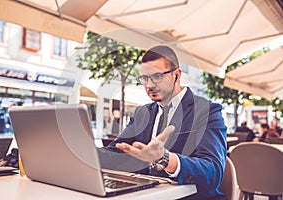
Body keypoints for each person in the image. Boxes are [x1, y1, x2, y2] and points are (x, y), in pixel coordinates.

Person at [97, 45, 227, 199]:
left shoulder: (207, 111)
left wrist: (164, 158)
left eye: (157, 76)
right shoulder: (142, 113)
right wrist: (83, 152)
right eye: (145, 78)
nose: (149, 85)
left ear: (176, 76)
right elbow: (116, 152)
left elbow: (213, 172)